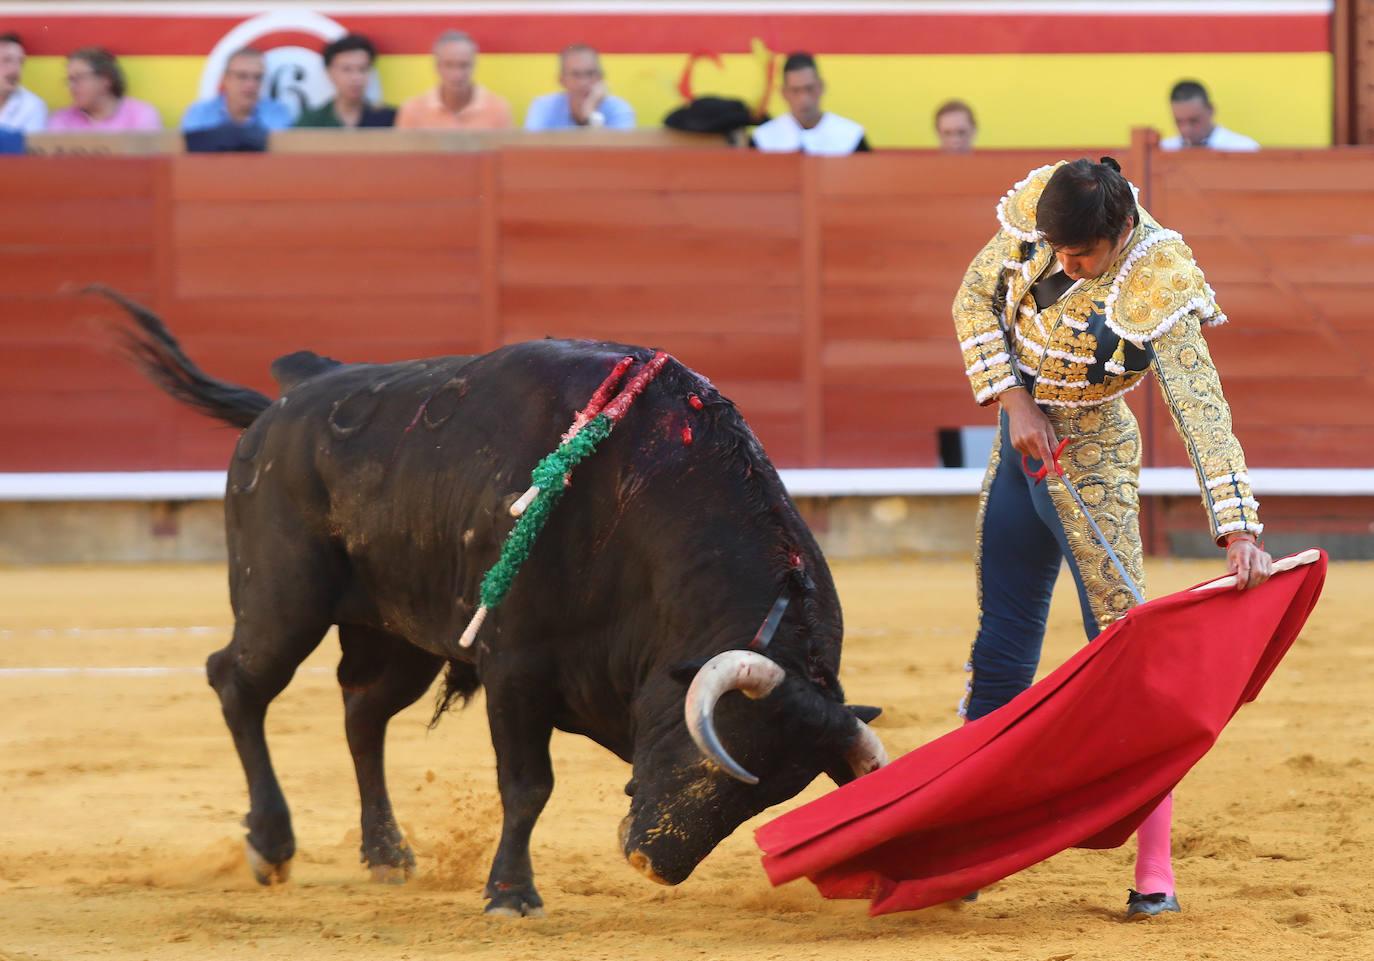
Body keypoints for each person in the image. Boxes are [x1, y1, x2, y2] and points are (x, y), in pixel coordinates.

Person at [950, 157, 1272, 918]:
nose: (1064, 264)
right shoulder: (1044, 218)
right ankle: (962, 839)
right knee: (1000, 650)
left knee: (1130, 658)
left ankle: (1154, 864)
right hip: (1020, 448)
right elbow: (972, 297)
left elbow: (1201, 405)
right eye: (1059, 251)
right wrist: (1013, 399)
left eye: (1080, 256)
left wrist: (1237, 528)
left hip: (1090, 458)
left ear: (1120, 234)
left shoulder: (1158, 272)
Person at [751, 52, 868, 155]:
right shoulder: (763, 139)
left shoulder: (850, 137)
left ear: (821, 87)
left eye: (809, 88)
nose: (804, 98)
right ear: (784, 93)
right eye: (795, 90)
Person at [395, 30, 511, 130]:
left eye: (464, 65)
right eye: (449, 65)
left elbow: (506, 154)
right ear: (437, 66)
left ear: (474, 66)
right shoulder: (412, 110)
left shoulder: (498, 108)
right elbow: (402, 155)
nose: (457, 74)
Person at [180, 47, 292, 134]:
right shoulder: (200, 113)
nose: (251, 84)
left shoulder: (276, 113)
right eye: (242, 76)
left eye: (258, 77)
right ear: (226, 79)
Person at [524, 43, 635, 130]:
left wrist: (590, 115)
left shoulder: (619, 109)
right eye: (576, 75)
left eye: (590, 74)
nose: (584, 82)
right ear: (562, 81)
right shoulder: (543, 107)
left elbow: (618, 154)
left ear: (601, 77)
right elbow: (531, 151)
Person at [46, 47, 161, 131]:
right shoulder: (62, 119)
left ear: (106, 79)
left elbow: (149, 162)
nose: (72, 86)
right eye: (70, 80)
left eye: (79, 78)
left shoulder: (140, 114)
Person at [294, 33, 395, 128]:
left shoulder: (388, 119)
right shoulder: (311, 123)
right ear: (329, 72)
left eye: (362, 69)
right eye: (347, 69)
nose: (356, 78)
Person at [1161, 80, 1259, 151]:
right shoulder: (1163, 151)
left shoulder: (1243, 149)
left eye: (1194, 121)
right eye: (1178, 122)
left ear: (1211, 110)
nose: (1186, 129)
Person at [0, 32, 48, 132]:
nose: (15, 69)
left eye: (20, 62)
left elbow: (32, 147)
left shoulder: (33, 106)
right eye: (7, 60)